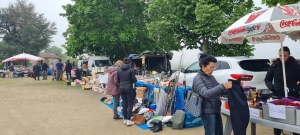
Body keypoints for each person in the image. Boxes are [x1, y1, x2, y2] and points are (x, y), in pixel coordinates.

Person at [194, 54, 242, 135]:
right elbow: (206, 94)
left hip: (216, 109)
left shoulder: (211, 77)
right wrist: (222, 86)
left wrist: (234, 86)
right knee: (211, 133)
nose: (212, 70)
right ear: (203, 66)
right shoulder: (197, 79)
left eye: (214, 67)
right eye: (211, 67)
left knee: (219, 133)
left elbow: (221, 91)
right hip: (207, 111)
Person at [264, 46, 300, 135]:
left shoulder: (295, 65)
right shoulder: (274, 65)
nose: (282, 58)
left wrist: (295, 89)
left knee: (294, 122)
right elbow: (267, 79)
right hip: (277, 96)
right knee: (277, 123)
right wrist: (272, 87)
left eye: (285, 56)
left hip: (292, 97)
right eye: (280, 56)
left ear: (289, 55)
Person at [117, 58, 137, 126]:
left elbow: (118, 80)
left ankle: (125, 119)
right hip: (129, 88)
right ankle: (129, 120)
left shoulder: (119, 70)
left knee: (124, 104)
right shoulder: (131, 70)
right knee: (130, 104)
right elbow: (134, 80)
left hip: (121, 88)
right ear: (130, 63)